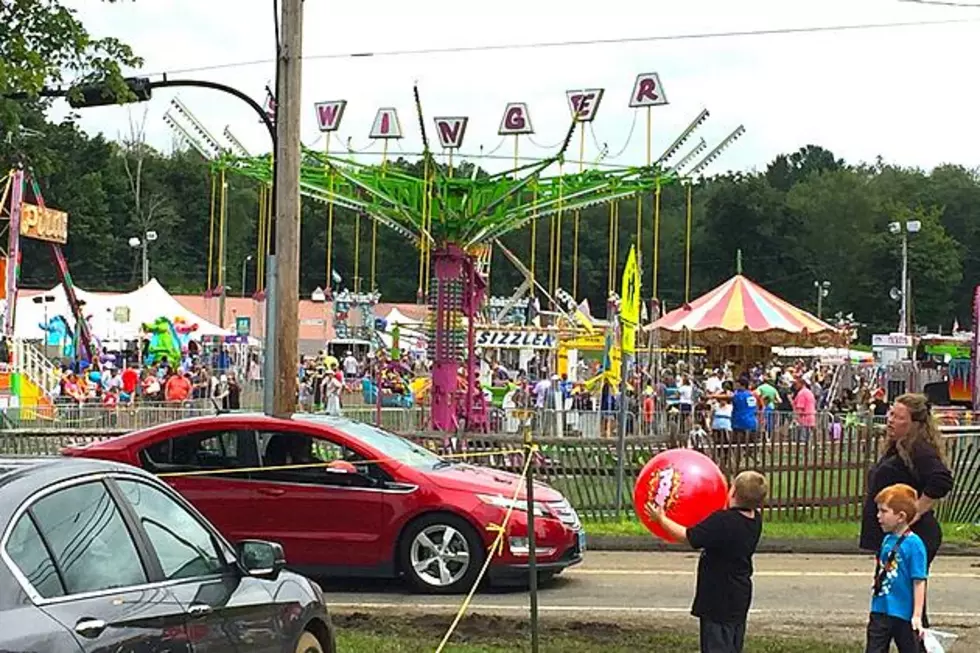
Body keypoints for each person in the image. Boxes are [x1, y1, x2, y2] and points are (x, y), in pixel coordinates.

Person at [645, 471, 768, 653]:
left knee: (717, 645)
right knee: (733, 643)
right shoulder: (754, 519)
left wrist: (661, 519)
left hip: (718, 599)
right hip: (739, 596)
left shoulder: (723, 521)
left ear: (732, 492)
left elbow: (689, 537)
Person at [859, 393, 952, 627]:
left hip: (913, 538)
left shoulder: (918, 448)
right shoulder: (898, 447)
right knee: (891, 597)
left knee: (908, 602)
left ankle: (918, 643)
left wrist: (916, 511)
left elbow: (941, 480)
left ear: (914, 424)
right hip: (893, 536)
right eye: (890, 413)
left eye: (899, 417)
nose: (890, 420)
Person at [865, 483, 928, 653]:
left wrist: (916, 615)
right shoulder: (887, 540)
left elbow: (919, 581)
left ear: (901, 516)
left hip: (903, 613)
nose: (878, 516)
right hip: (880, 608)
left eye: (884, 511)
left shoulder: (915, 545)